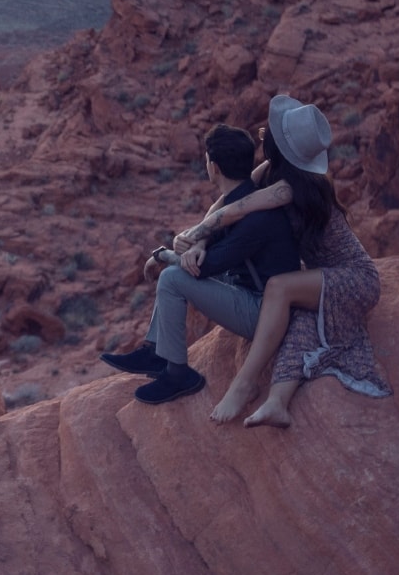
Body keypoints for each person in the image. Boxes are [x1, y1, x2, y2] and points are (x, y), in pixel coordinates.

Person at [179, 95, 390, 427]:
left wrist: (192, 235)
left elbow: (239, 208)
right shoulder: (274, 171)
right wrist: (201, 240)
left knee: (279, 288)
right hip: (321, 276)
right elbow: (224, 200)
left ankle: (244, 384)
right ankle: (277, 403)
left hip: (354, 279)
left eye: (270, 131)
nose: (263, 132)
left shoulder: (290, 188)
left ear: (278, 145)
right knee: (298, 332)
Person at [100, 123, 301, 405]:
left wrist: (162, 255)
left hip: (265, 312)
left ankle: (178, 374)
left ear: (214, 167)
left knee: (172, 278)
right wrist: (197, 243)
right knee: (175, 272)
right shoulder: (243, 200)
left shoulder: (254, 218)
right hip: (254, 292)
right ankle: (156, 350)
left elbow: (203, 268)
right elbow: (212, 233)